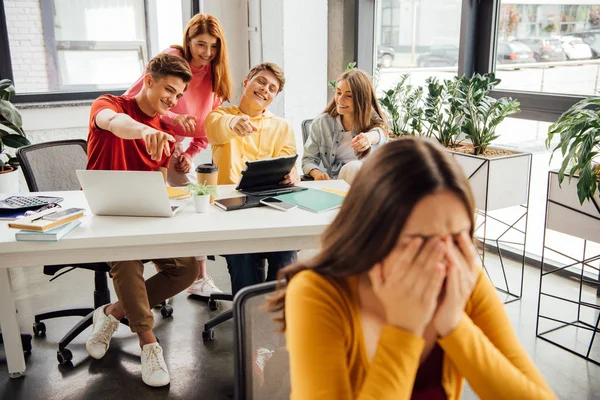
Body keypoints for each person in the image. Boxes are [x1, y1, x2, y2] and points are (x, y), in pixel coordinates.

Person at [268, 137, 556, 399]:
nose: (443, 257)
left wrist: (454, 324)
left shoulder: (462, 278)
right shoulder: (319, 293)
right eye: (421, 241)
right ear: (373, 232)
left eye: (458, 237)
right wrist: (404, 330)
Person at [85, 53, 200, 388]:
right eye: (169, 89)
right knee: (127, 257)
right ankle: (149, 343)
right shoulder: (110, 104)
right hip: (107, 214)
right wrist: (141, 131)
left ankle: (113, 313)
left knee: (187, 268)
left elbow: (170, 181)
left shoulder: (164, 129)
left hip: (145, 212)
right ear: (148, 80)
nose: (173, 100)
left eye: (178, 95)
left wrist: (181, 171)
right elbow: (114, 123)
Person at [125, 13, 232, 298]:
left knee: (199, 200)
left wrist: (188, 153)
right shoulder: (172, 58)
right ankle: (166, 273)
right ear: (188, 41)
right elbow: (138, 100)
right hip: (149, 143)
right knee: (154, 206)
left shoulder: (215, 74)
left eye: (213, 46)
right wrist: (173, 120)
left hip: (176, 148)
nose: (206, 53)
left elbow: (205, 128)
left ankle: (199, 277)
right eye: (200, 44)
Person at [205, 62, 298, 296]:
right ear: (247, 81)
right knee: (243, 259)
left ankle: (276, 321)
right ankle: (250, 322)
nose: (265, 89)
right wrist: (234, 123)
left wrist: (293, 175)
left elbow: (289, 163)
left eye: (272, 88)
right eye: (261, 81)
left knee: (287, 256)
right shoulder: (219, 116)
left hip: (271, 210)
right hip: (231, 212)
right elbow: (218, 129)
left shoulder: (282, 126)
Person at [302, 68, 388, 184]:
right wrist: (317, 174)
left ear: (361, 99)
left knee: (355, 167)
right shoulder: (322, 123)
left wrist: (368, 138)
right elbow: (308, 160)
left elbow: (380, 133)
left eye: (349, 96)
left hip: (368, 184)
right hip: (337, 183)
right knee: (353, 167)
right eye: (338, 93)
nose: (340, 100)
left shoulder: (374, 123)